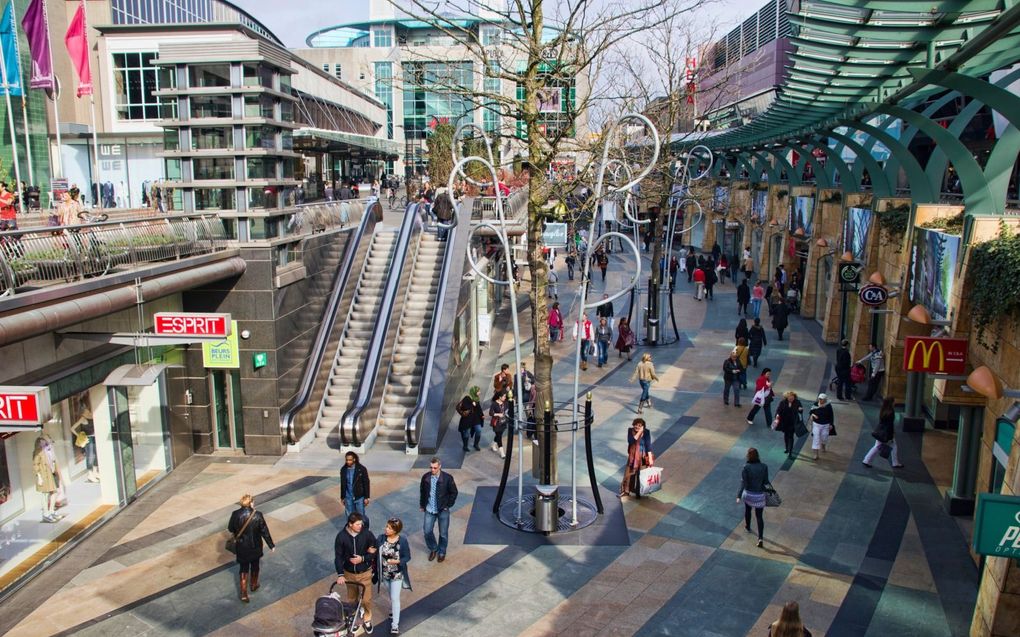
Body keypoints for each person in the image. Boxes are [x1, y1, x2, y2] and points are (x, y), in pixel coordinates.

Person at [334, 512, 377, 632]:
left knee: (366, 599)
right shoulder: (341, 537)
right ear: (350, 524)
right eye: (358, 524)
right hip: (349, 574)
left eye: (361, 523)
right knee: (352, 599)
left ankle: (367, 619)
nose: (360, 526)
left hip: (365, 573)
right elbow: (338, 556)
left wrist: (363, 558)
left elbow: (374, 550)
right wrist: (340, 574)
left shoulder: (367, 534)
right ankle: (355, 618)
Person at [228, 494, 275, 603]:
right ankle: (254, 585)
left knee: (243, 568)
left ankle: (244, 593)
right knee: (255, 565)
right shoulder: (258, 515)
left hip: (241, 546)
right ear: (251, 503)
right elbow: (264, 531)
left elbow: (230, 528)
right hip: (255, 546)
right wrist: (271, 545)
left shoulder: (235, 514)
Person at [376, 518, 412, 635]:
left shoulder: (402, 541)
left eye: (389, 528)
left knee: (395, 598)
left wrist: (397, 562)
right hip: (385, 574)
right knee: (391, 595)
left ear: (395, 530)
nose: (386, 529)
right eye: (386, 526)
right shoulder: (381, 538)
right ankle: (393, 609)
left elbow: (407, 557)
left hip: (397, 574)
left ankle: (395, 625)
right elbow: (376, 550)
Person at [419, 457, 458, 562]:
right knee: (427, 531)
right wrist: (422, 505)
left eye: (435, 468)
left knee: (443, 533)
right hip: (429, 509)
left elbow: (454, 492)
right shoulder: (426, 477)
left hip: (442, 510)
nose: (432, 470)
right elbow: (423, 492)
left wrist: (448, 505)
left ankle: (442, 552)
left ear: (440, 466)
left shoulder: (448, 478)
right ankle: (433, 548)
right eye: (431, 467)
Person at [736, 447, 769, 548]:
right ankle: (760, 538)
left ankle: (748, 526)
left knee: (748, 510)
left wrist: (739, 495)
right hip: (759, 494)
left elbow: (743, 483)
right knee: (759, 516)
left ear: (748, 456)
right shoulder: (764, 466)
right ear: (758, 455)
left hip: (749, 494)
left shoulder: (746, 467)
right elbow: (766, 481)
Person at [863, 397, 904, 468]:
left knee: (880, 446)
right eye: (893, 402)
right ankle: (867, 460)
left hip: (881, 431)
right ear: (891, 403)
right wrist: (891, 436)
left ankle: (867, 460)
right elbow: (890, 426)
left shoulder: (883, 410)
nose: (895, 403)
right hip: (886, 433)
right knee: (889, 446)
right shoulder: (891, 413)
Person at [619, 418, 653, 498]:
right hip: (632, 456)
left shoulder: (646, 432)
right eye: (635, 425)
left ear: (643, 426)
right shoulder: (630, 431)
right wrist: (639, 432)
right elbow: (631, 441)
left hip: (643, 456)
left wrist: (650, 458)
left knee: (641, 475)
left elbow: (648, 445)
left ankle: (639, 492)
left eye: (639, 425)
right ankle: (626, 491)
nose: (636, 427)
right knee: (628, 473)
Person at [340, 451, 371, 526]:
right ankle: (351, 532)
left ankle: (364, 529)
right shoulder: (343, 470)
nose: (348, 461)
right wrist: (342, 497)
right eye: (347, 460)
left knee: (361, 516)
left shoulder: (361, 469)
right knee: (350, 516)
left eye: (350, 460)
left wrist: (367, 497)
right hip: (348, 497)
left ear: (354, 459)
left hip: (359, 496)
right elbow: (343, 484)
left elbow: (366, 483)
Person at [774, 391, 804, 457]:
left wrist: (800, 409)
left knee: (791, 436)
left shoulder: (797, 402)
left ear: (794, 397)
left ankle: (790, 450)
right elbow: (778, 410)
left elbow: (800, 411)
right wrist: (777, 415)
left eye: (792, 398)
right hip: (785, 422)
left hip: (793, 422)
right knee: (786, 435)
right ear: (787, 397)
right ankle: (787, 447)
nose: (791, 399)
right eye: (789, 398)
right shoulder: (783, 402)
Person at [456, 386, 484, 452]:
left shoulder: (476, 398)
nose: (480, 392)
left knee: (479, 430)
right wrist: (472, 404)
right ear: (474, 392)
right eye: (478, 391)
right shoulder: (467, 398)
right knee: (466, 433)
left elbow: (478, 408)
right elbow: (464, 407)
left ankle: (476, 444)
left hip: (475, 418)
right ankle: (465, 446)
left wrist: (482, 415)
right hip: (467, 419)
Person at [809, 393, 834, 461]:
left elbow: (831, 415)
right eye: (819, 399)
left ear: (825, 400)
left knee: (824, 437)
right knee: (816, 438)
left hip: (825, 425)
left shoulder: (828, 406)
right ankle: (816, 454)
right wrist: (813, 415)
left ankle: (823, 445)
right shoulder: (816, 404)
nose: (820, 400)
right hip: (816, 424)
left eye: (822, 399)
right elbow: (811, 412)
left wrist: (831, 424)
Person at [488, 391, 508, 458]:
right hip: (497, 423)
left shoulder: (505, 403)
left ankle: (493, 444)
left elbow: (508, 410)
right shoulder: (494, 404)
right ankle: (502, 453)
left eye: (505, 396)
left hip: (503, 422)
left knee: (499, 435)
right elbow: (490, 413)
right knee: (499, 437)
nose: (505, 397)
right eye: (504, 396)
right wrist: (498, 414)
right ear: (500, 397)